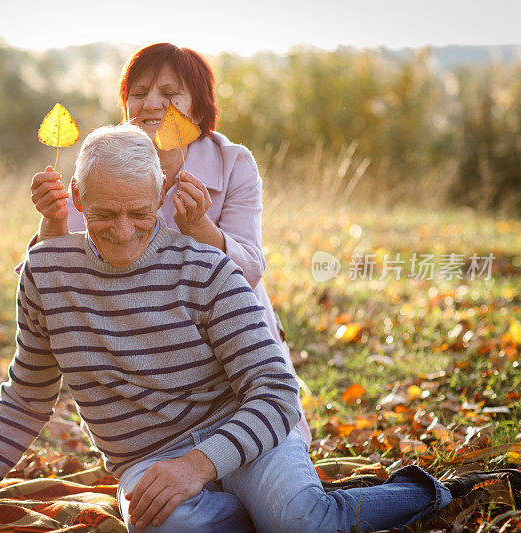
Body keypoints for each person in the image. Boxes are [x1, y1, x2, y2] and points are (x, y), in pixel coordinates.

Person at [0, 124, 475, 532]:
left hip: (239, 432)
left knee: (301, 522)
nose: (124, 232)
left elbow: (276, 393)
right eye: (104, 214)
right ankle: (264, 509)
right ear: (77, 198)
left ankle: (423, 491)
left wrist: (199, 466)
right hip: (144, 458)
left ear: (159, 199)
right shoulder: (46, 272)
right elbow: (30, 390)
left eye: (140, 213)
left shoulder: (204, 266)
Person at [29, 43, 313, 444]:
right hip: (143, 345)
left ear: (198, 110)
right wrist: (53, 218)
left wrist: (198, 227)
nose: (150, 104)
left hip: (231, 334)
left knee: (264, 446)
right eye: (139, 92)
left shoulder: (233, 163)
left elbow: (250, 269)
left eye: (169, 93)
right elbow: (49, 281)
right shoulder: (104, 164)